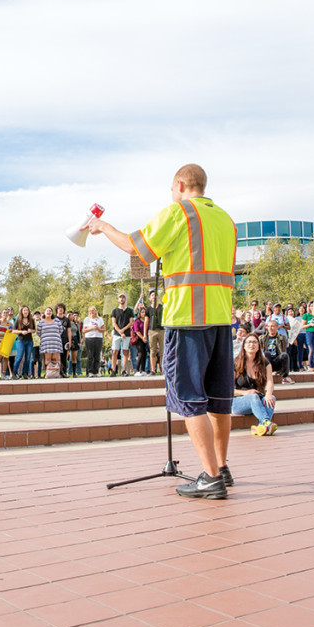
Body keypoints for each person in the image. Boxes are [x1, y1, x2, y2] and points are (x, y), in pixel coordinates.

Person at [87, 163, 236, 499]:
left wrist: (103, 226)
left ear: (180, 184)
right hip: (222, 318)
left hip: (187, 319)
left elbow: (134, 247)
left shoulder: (178, 212)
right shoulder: (225, 219)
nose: (171, 195)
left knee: (189, 397)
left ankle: (210, 478)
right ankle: (222, 468)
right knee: (219, 400)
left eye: (171, 189)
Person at [231, 333, 277, 437]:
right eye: (249, 342)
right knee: (253, 397)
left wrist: (269, 394)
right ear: (244, 346)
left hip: (258, 400)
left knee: (272, 398)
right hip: (239, 402)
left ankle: (261, 427)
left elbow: (270, 382)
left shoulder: (265, 363)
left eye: (254, 342)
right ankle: (266, 422)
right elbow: (228, 389)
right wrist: (246, 392)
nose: (251, 344)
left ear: (258, 346)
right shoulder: (235, 363)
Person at [259, 318, 292, 383]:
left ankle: (284, 377)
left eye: (273, 326)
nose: (271, 328)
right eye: (269, 326)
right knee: (266, 353)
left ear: (277, 327)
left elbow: (283, 351)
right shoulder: (262, 338)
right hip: (267, 361)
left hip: (277, 360)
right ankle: (264, 375)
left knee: (285, 355)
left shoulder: (282, 338)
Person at [110, 292, 133, 375]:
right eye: (120, 297)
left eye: (123, 297)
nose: (122, 299)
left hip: (126, 334)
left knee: (125, 352)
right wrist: (119, 331)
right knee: (115, 351)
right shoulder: (114, 311)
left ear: (125, 299)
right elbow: (114, 323)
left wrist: (123, 330)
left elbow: (131, 322)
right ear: (118, 299)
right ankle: (113, 370)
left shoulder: (130, 310)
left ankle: (123, 370)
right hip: (116, 334)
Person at [38, 307, 64, 378]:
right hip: (46, 343)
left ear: (52, 313)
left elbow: (60, 330)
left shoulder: (57, 321)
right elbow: (38, 332)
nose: (48, 312)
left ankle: (56, 373)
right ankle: (48, 374)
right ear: (44, 312)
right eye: (47, 311)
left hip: (56, 343)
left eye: (50, 311)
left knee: (56, 359)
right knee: (47, 359)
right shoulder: (41, 322)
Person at [12, 305, 35, 379]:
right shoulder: (18, 320)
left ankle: (25, 373)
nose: (26, 312)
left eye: (27, 310)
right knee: (19, 357)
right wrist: (21, 332)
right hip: (21, 340)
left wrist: (30, 331)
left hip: (29, 341)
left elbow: (34, 330)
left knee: (28, 358)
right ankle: (14, 373)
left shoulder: (31, 320)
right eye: (24, 310)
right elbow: (13, 331)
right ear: (21, 311)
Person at [82, 306, 105, 377]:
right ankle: (89, 371)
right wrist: (92, 328)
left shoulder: (100, 319)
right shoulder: (87, 319)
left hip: (98, 338)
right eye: (90, 311)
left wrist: (97, 328)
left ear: (95, 311)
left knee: (97, 355)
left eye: (93, 310)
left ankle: (96, 371)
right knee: (90, 355)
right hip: (89, 338)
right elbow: (84, 330)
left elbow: (103, 330)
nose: (92, 312)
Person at [147, 290, 164, 376]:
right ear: (150, 298)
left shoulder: (162, 307)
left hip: (162, 330)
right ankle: (153, 370)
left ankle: (163, 369)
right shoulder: (148, 309)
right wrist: (144, 334)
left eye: (155, 295)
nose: (154, 296)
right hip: (152, 331)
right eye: (152, 295)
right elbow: (146, 321)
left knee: (163, 350)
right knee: (152, 351)